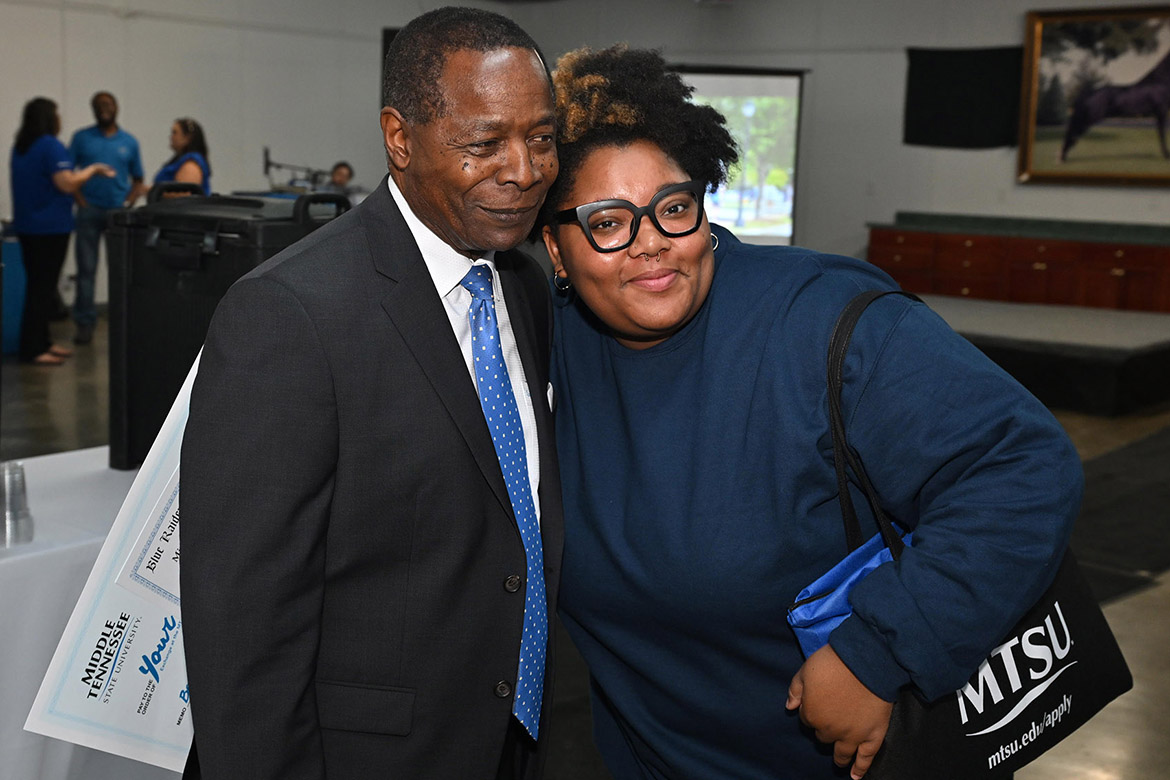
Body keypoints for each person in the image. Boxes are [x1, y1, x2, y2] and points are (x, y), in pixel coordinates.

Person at [539, 46, 1082, 780]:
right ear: (556, 249)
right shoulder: (540, 351)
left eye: (674, 207)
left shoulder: (824, 321)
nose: (653, 244)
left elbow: (1022, 467)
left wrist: (877, 652)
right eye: (609, 222)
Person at [179, 8, 562, 780]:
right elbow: (243, 632)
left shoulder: (522, 282)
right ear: (399, 136)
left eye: (543, 138)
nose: (524, 170)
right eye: (485, 143)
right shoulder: (287, 315)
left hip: (506, 739)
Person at [9, 97, 112, 365]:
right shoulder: (49, 146)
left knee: (38, 287)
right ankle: (33, 348)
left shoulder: (21, 148)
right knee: (42, 289)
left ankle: (42, 342)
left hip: (28, 227)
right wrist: (93, 170)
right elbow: (67, 183)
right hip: (49, 229)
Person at [68, 90, 146, 345]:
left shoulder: (129, 141)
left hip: (118, 215)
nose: (104, 108)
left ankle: (123, 322)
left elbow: (138, 179)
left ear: (116, 108)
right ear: (93, 109)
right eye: (99, 105)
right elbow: (68, 175)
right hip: (89, 212)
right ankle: (85, 324)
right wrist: (80, 200)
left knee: (120, 271)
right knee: (86, 271)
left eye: (108, 104)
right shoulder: (81, 138)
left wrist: (130, 201)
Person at [153, 117, 210, 195]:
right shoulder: (178, 161)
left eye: (175, 133)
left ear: (187, 137)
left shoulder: (191, 164)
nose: (171, 137)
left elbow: (184, 195)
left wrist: (152, 191)